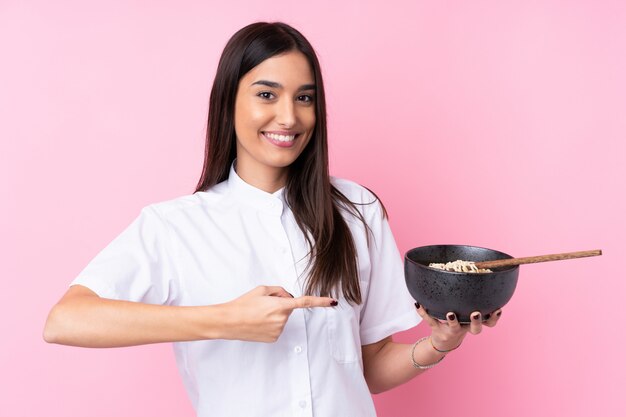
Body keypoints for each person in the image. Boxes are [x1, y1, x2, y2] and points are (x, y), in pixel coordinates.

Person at [44, 21, 502, 417]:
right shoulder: (175, 226)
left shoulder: (358, 210)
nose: (289, 116)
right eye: (267, 94)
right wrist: (224, 320)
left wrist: (442, 341)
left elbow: (368, 368)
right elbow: (66, 321)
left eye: (305, 97)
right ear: (229, 102)